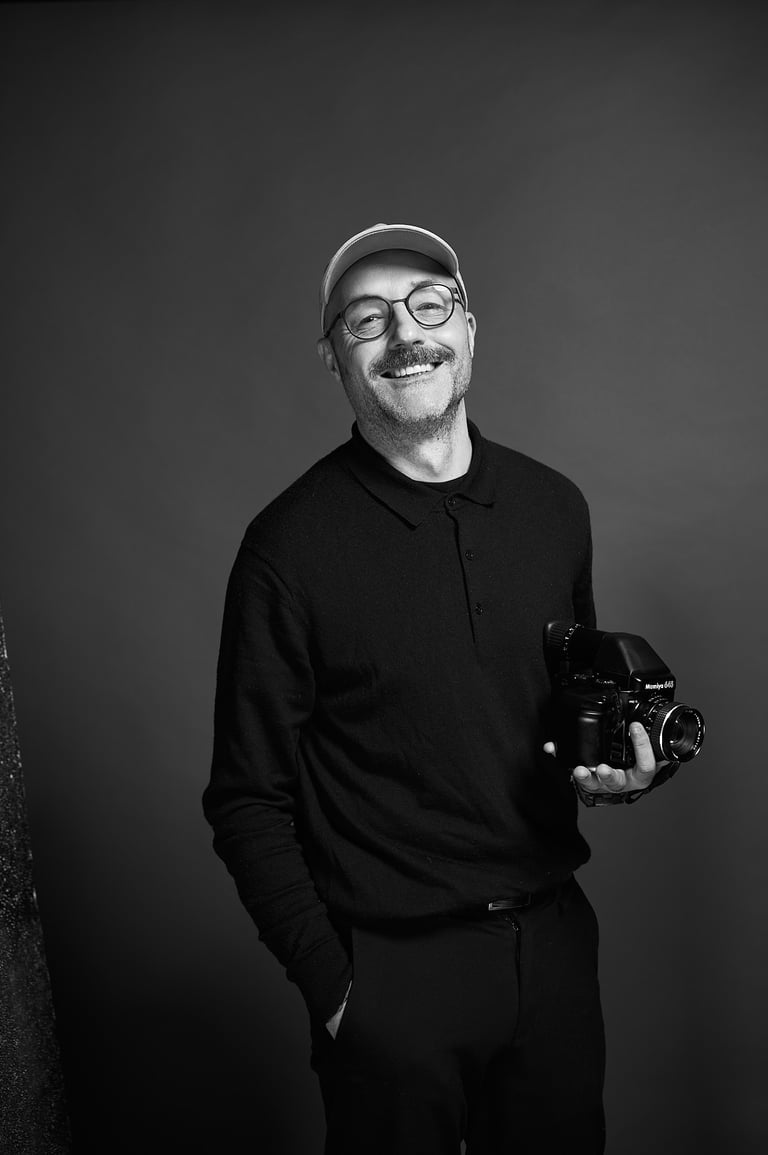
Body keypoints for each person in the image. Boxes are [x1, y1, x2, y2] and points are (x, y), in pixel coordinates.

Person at [203, 223, 678, 1155]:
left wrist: (625, 772)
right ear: (334, 356)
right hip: (389, 974)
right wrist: (337, 991)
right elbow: (244, 797)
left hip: (552, 951)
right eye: (366, 319)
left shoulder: (554, 507)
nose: (406, 334)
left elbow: (551, 711)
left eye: (429, 305)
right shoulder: (286, 549)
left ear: (470, 327)